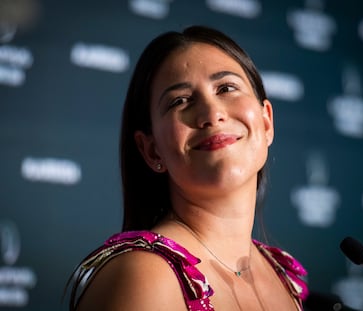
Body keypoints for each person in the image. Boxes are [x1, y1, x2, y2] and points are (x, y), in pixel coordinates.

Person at [67, 25, 308, 311]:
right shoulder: (145, 276)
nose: (212, 114)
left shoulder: (280, 275)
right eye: (180, 101)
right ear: (151, 149)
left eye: (226, 88)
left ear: (266, 123)